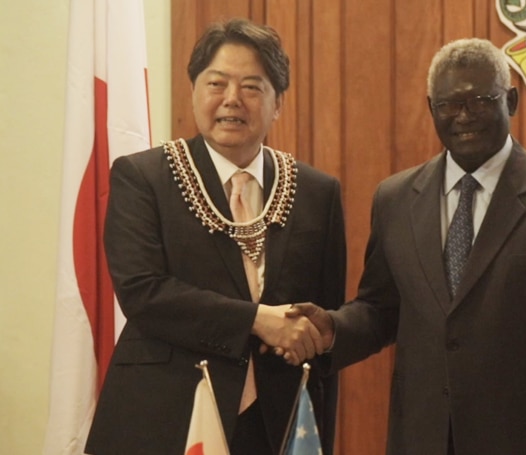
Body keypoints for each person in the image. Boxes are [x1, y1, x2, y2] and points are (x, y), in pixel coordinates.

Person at [287, 38, 526, 455]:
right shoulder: (394, 199)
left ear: (512, 100)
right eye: (448, 104)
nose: (464, 116)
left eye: (481, 100)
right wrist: (333, 329)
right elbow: (381, 309)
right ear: (431, 108)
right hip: (422, 441)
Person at [85, 18, 346, 455]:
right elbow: (143, 292)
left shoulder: (317, 191)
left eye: (251, 87)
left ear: (277, 102)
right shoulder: (144, 177)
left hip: (277, 423)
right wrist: (256, 320)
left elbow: (322, 324)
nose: (231, 100)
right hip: (166, 417)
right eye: (216, 83)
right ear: (194, 90)